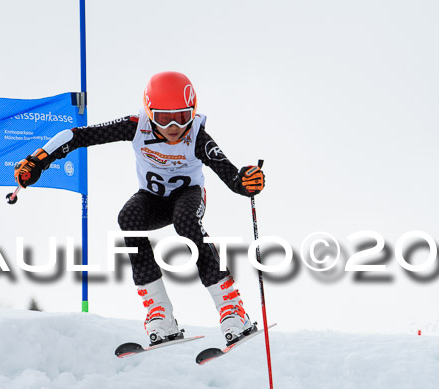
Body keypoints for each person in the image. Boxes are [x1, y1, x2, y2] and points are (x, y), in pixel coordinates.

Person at [14, 71, 265, 345]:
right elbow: (76, 136)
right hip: (152, 199)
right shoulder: (135, 126)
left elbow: (231, 176)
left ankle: (231, 307)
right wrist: (39, 160)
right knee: (128, 218)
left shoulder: (197, 136)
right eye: (162, 117)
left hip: (189, 195)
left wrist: (246, 181)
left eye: (182, 117)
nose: (173, 126)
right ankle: (160, 314)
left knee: (186, 223)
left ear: (192, 113)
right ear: (148, 112)